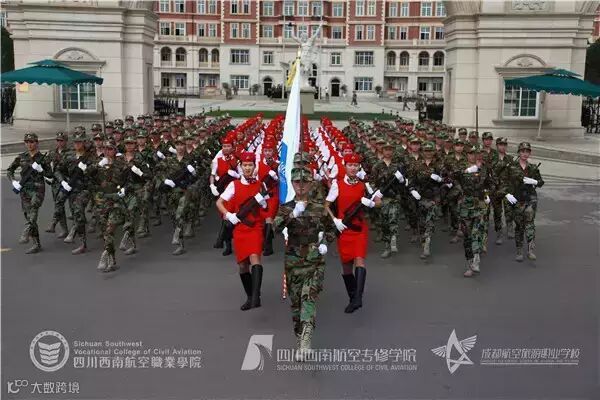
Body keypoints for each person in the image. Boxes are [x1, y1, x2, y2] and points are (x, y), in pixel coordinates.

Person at [273, 166, 334, 361]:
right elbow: (275, 228)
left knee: (309, 297)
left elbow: (332, 229)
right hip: (293, 261)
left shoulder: (319, 208)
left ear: (310, 184)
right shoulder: (286, 207)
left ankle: (306, 340)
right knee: (296, 304)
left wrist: (325, 242)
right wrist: (292, 215)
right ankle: (300, 338)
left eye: (305, 182)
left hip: (315, 260)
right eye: (297, 182)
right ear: (292, 183)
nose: (301, 186)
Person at [325, 153, 382, 314]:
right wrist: (335, 220)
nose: (353, 168)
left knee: (359, 260)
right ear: (345, 166)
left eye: (356, 165)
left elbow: (379, 202)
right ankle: (352, 298)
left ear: (359, 167)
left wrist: (371, 204)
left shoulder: (365, 185)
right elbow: (327, 205)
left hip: (359, 229)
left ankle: (358, 297)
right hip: (344, 229)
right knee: (346, 267)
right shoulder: (337, 184)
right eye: (350, 165)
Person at [216, 152, 267, 311]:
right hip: (240, 229)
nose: (247, 168)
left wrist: (264, 204)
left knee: (255, 257)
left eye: (250, 165)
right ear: (241, 166)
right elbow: (219, 202)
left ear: (254, 166)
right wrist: (228, 215)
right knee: (243, 266)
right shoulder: (234, 185)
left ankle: (256, 296)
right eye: (245, 165)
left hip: (255, 227)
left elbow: (266, 209)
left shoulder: (261, 185)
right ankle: (250, 296)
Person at [452, 145, 494, 277]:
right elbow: (453, 176)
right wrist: (467, 171)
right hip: (465, 207)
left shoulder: (485, 169)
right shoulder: (462, 167)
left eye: (475, 154)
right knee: (467, 237)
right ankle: (470, 263)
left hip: (479, 206)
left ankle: (476, 260)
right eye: (470, 153)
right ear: (467, 155)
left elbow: (492, 184)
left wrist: (486, 194)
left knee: (476, 233)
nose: (473, 156)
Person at [7, 133, 52, 253]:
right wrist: (13, 182)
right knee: (29, 215)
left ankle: (26, 231)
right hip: (25, 189)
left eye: (31, 142)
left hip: (38, 189)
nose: (29, 144)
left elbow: (50, 175)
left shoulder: (43, 158)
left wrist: (41, 170)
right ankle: (36, 244)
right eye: (27, 142)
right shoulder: (21, 157)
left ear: (37, 143)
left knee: (34, 209)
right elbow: (10, 170)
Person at [502, 142, 544, 262]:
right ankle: (519, 250)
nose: (525, 154)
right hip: (517, 200)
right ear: (519, 152)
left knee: (530, 224)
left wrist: (534, 182)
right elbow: (503, 182)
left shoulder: (533, 168)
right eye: (523, 151)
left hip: (530, 199)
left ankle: (530, 250)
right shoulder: (510, 167)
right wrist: (507, 194)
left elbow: (541, 182)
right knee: (519, 226)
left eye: (527, 152)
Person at [56, 132, 95, 255]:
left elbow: (95, 173)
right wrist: (63, 182)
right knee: (76, 214)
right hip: (71, 189)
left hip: (85, 189)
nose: (77, 144)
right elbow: (58, 170)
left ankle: (81, 242)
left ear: (84, 143)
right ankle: (81, 239)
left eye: (80, 142)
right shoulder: (69, 156)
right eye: (75, 142)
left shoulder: (90, 157)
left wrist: (87, 170)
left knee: (78, 210)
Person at [45, 131, 70, 239]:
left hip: (66, 182)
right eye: (58, 140)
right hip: (55, 183)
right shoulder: (52, 152)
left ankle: (53, 223)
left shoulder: (70, 152)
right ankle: (64, 230)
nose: (59, 142)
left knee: (59, 201)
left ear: (66, 141)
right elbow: (46, 165)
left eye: (61, 140)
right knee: (59, 205)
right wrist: (47, 176)